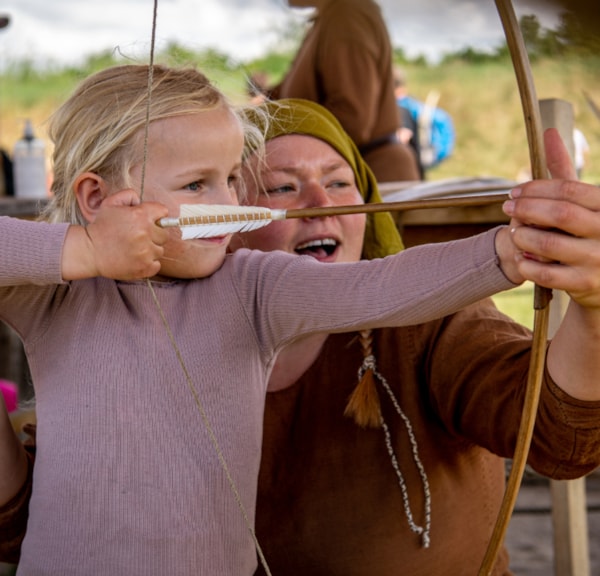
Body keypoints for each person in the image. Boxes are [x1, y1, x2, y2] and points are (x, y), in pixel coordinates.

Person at [0, 65, 525, 575]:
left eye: (230, 179)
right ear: (96, 198)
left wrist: (511, 249)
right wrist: (83, 249)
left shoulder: (253, 288)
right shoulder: (55, 298)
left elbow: (380, 286)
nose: (227, 202)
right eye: (195, 185)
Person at [231, 100, 600, 574]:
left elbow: (560, 436)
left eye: (341, 183)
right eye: (282, 187)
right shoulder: (184, 336)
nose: (321, 205)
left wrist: (593, 311)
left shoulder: (426, 317)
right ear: (221, 222)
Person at [266, 0, 421, 183]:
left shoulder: (347, 14)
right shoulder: (328, 18)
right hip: (348, 174)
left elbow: (352, 118)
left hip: (370, 178)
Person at [393, 66, 455, 176]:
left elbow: (403, 137)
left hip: (405, 174)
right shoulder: (414, 104)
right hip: (418, 170)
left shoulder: (399, 110)